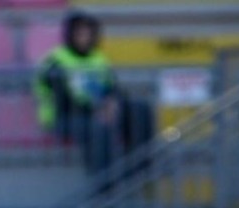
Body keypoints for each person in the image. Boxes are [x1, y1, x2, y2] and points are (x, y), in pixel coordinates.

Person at [34, 9, 154, 175]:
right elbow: (64, 99)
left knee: (139, 109)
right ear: (70, 35)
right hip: (64, 117)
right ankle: (104, 182)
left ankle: (140, 167)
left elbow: (112, 88)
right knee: (99, 126)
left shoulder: (98, 58)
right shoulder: (56, 60)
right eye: (80, 33)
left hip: (97, 111)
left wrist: (114, 103)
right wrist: (100, 110)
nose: (85, 37)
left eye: (88, 33)